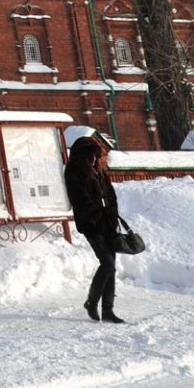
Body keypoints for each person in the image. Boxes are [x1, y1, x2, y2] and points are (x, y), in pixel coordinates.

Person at [63, 133, 126, 323]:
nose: (93, 158)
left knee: (112, 267)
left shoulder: (98, 169)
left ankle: (108, 310)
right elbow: (79, 198)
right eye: (89, 155)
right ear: (81, 155)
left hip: (108, 223)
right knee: (107, 263)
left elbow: (110, 193)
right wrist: (96, 214)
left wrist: (112, 213)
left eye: (95, 155)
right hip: (91, 224)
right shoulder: (74, 170)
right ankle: (91, 303)